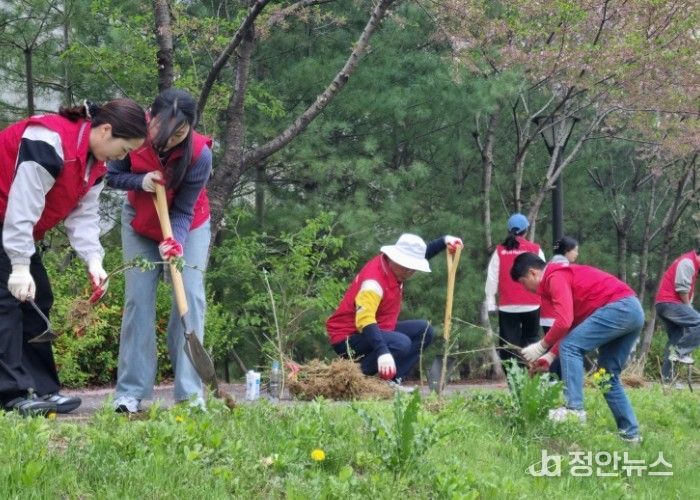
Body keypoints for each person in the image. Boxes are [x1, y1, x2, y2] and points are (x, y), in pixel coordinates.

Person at [0, 99, 147, 416]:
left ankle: (41, 389)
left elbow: (83, 217)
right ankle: (10, 395)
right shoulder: (48, 142)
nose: (123, 157)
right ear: (106, 130)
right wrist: (20, 266)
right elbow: (21, 207)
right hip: (9, 218)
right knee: (7, 302)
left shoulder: (95, 166)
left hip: (16, 227)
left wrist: (94, 260)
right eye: (124, 149)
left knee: (38, 298)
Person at [107, 88, 213, 413]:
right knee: (138, 300)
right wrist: (140, 182)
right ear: (150, 117)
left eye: (179, 134)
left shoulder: (199, 154)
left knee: (189, 297)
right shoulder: (133, 133)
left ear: (190, 127)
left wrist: (174, 242)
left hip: (187, 224)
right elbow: (111, 176)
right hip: (140, 221)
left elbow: (183, 210)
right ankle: (130, 392)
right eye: (164, 132)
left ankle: (190, 395)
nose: (169, 141)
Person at [512, 252, 642, 443]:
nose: (526, 289)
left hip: (619, 307)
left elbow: (564, 322)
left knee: (571, 346)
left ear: (533, 273)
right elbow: (572, 326)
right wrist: (549, 357)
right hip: (632, 310)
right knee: (606, 376)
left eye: (523, 283)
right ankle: (631, 436)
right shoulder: (563, 276)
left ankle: (574, 409)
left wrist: (540, 346)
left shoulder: (554, 276)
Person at [327, 233, 463, 387]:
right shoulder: (373, 283)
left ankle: (393, 382)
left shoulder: (395, 266)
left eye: (413, 269)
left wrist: (444, 241)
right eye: (407, 268)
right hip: (348, 338)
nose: (410, 273)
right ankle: (351, 378)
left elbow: (422, 254)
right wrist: (383, 351)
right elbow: (364, 320)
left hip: (377, 329)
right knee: (401, 343)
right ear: (396, 259)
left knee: (424, 330)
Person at [484, 213, 544, 363]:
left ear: (508, 230)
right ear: (526, 231)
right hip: (532, 303)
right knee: (532, 342)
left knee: (508, 345)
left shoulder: (500, 251)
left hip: (508, 305)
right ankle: (531, 372)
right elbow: (544, 275)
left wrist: (490, 301)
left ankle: (512, 375)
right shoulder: (535, 249)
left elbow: (492, 278)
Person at [654, 250, 700, 380]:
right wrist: (689, 308)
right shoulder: (687, 262)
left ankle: (667, 379)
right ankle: (681, 353)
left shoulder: (691, 264)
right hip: (669, 303)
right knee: (698, 322)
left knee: (675, 340)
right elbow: (682, 289)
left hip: (666, 304)